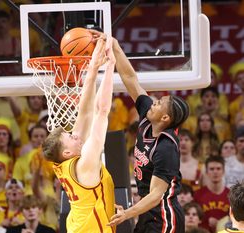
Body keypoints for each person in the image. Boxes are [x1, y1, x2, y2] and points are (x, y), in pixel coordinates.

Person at [103, 33, 189, 233]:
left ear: (165, 118)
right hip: (147, 211)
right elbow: (130, 78)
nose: (154, 102)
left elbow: (156, 195)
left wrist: (127, 213)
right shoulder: (146, 115)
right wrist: (115, 46)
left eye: (159, 104)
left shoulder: (166, 148)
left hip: (164, 216)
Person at [42, 35, 116, 233]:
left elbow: (85, 112)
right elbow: (102, 111)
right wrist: (110, 66)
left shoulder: (66, 160)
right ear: (67, 152)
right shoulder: (85, 163)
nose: (75, 135)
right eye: (70, 136)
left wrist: (93, 69)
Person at [193, 156, 230, 233]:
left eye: (218, 169)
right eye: (212, 169)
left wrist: (221, 223)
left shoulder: (231, 195)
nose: (215, 172)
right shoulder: (197, 195)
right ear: (206, 172)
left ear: (223, 171)